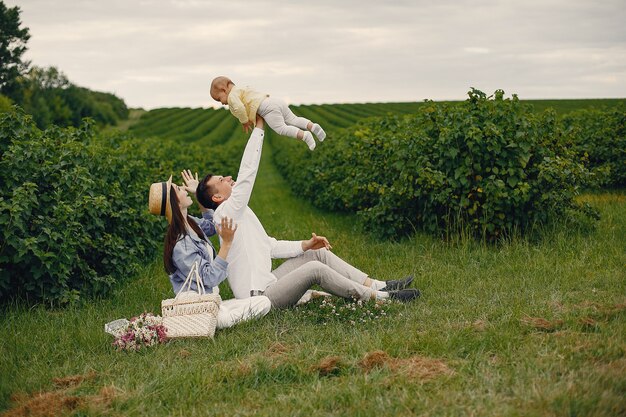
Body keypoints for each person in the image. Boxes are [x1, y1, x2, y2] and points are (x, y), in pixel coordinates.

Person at [187, 115, 420, 309]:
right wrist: (259, 128)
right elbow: (248, 172)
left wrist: (305, 245)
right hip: (259, 296)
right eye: (221, 180)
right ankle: (382, 299)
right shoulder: (226, 212)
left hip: (268, 283)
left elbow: (269, 246)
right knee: (315, 269)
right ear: (217, 197)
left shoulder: (237, 213)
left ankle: (378, 285)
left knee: (316, 255)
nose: (228, 178)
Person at [148, 175, 271, 330]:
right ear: (175, 202)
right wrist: (226, 244)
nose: (184, 189)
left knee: (262, 301)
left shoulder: (190, 222)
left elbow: (213, 225)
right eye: (179, 189)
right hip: (197, 308)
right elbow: (209, 278)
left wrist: (199, 194)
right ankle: (207, 321)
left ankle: (220, 311)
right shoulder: (181, 244)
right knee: (260, 305)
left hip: (211, 300)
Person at [210, 76, 326, 151]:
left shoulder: (232, 96)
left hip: (267, 109)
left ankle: (305, 136)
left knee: (281, 129)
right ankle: (313, 126)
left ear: (224, 90)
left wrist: (244, 121)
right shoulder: (242, 88)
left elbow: (239, 108)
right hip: (274, 101)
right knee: (293, 119)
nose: (221, 103)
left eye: (219, 99)